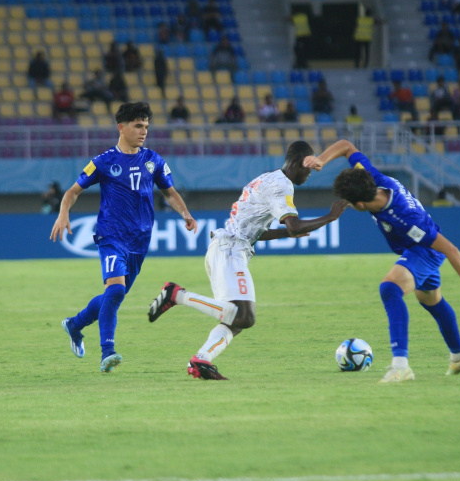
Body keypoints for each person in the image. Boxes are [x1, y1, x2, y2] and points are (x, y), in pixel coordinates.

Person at [147, 141, 348, 380]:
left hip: (226, 248)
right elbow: (294, 226)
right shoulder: (282, 186)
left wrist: (288, 232)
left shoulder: (266, 178)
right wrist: (330, 216)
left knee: (235, 318)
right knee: (245, 316)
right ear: (298, 163)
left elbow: (257, 231)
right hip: (230, 250)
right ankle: (177, 295)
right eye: (309, 168)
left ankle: (201, 359)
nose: (309, 174)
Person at [304, 139, 460, 382]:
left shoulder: (405, 218)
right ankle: (459, 357)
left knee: (389, 289)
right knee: (430, 301)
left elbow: (451, 249)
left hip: (423, 250)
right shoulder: (373, 178)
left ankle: (400, 366)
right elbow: (346, 145)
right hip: (414, 249)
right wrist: (320, 160)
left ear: (361, 204)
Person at [51, 102, 197, 373]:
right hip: (111, 235)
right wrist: (63, 213)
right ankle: (108, 352)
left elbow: (170, 192)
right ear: (121, 127)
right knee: (116, 291)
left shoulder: (153, 160)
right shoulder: (103, 162)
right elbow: (72, 191)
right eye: (138, 126)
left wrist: (185, 214)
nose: (144, 132)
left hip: (139, 241)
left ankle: (74, 324)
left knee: (112, 295)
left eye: (146, 127)